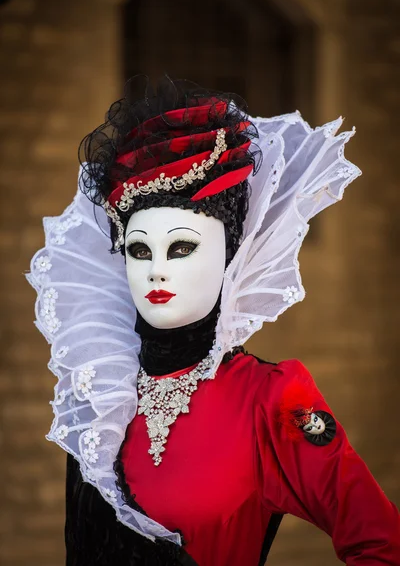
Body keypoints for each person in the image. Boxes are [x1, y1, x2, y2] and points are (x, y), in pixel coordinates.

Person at [28, 76, 400, 565]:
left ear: (230, 257)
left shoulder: (270, 399)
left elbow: (382, 544)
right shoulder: (99, 393)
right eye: (140, 250)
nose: (156, 269)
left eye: (181, 247)